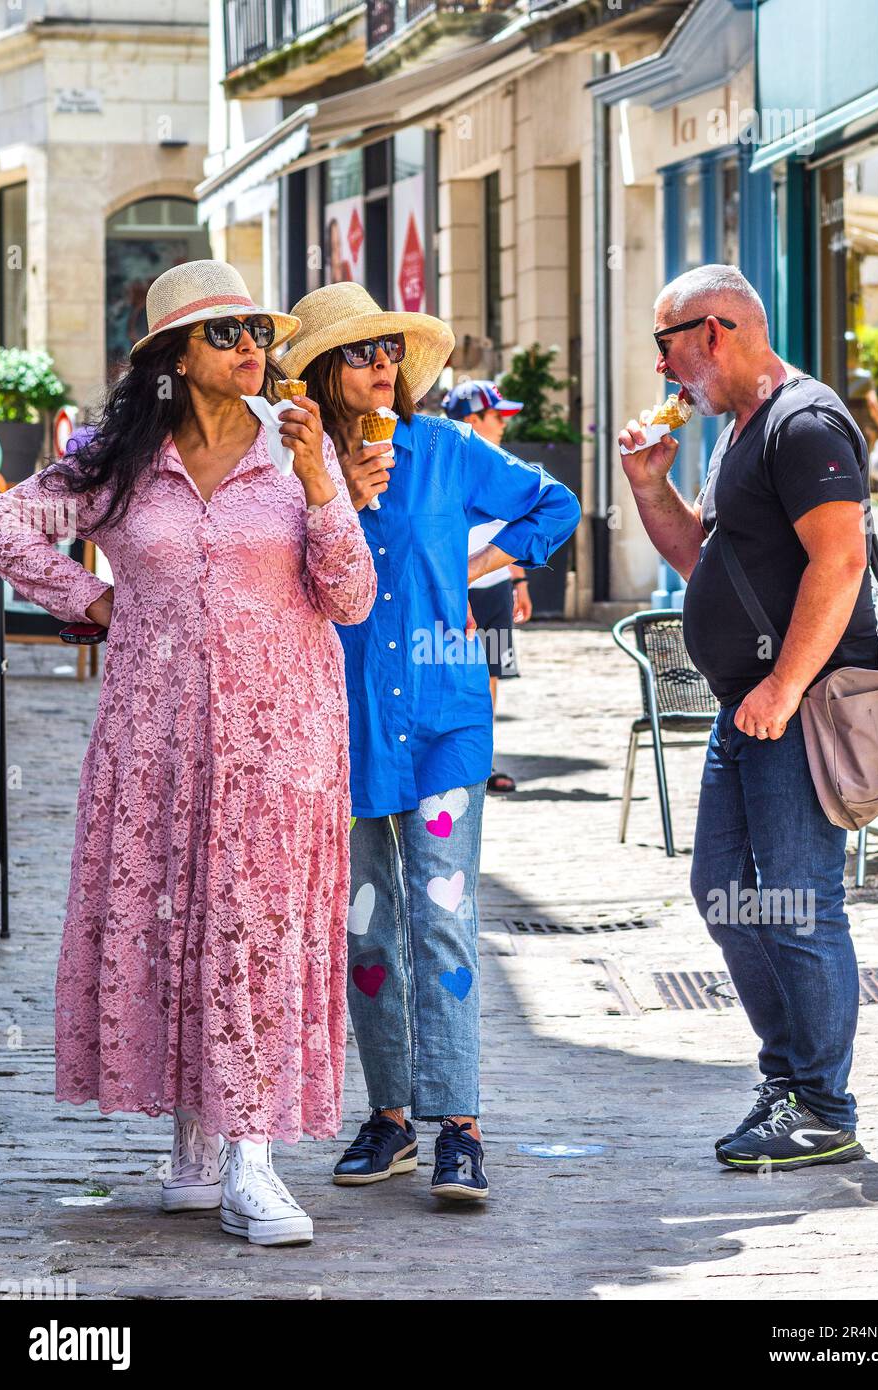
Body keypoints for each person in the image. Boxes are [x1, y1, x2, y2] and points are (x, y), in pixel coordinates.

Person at [0, 260, 377, 1243]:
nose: (254, 347)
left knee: (253, 928)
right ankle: (197, 1153)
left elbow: (353, 596)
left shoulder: (294, 455)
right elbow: (4, 523)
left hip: (279, 739)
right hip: (155, 737)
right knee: (184, 921)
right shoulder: (117, 465)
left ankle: (252, 1159)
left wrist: (325, 482)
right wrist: (94, 602)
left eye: (256, 331)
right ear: (171, 357)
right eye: (228, 332)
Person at [279, 283, 580, 1201]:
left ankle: (461, 1126)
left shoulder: (445, 451)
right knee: (366, 929)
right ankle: (391, 1117)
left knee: (442, 920)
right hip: (343, 724)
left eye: (388, 354)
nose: (380, 368)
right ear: (327, 371)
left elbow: (553, 505)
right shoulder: (290, 467)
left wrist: (479, 564)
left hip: (446, 717)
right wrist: (328, 500)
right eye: (361, 353)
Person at [620, 264, 878, 1171]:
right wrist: (651, 488)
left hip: (796, 710)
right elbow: (707, 562)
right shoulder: (740, 429)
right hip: (752, 713)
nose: (662, 370)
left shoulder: (803, 422)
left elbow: (839, 563)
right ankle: (790, 1080)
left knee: (798, 904)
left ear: (715, 330)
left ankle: (821, 1104)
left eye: (666, 345)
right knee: (724, 892)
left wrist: (781, 688)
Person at [442, 379, 532, 794]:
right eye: (498, 417)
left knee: (490, 674)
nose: (503, 425)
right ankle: (446, 760)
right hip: (450, 587)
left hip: (494, 586)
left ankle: (482, 761)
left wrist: (520, 581)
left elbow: (512, 527)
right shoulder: (442, 462)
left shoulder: (502, 463)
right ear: (473, 419)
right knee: (444, 672)